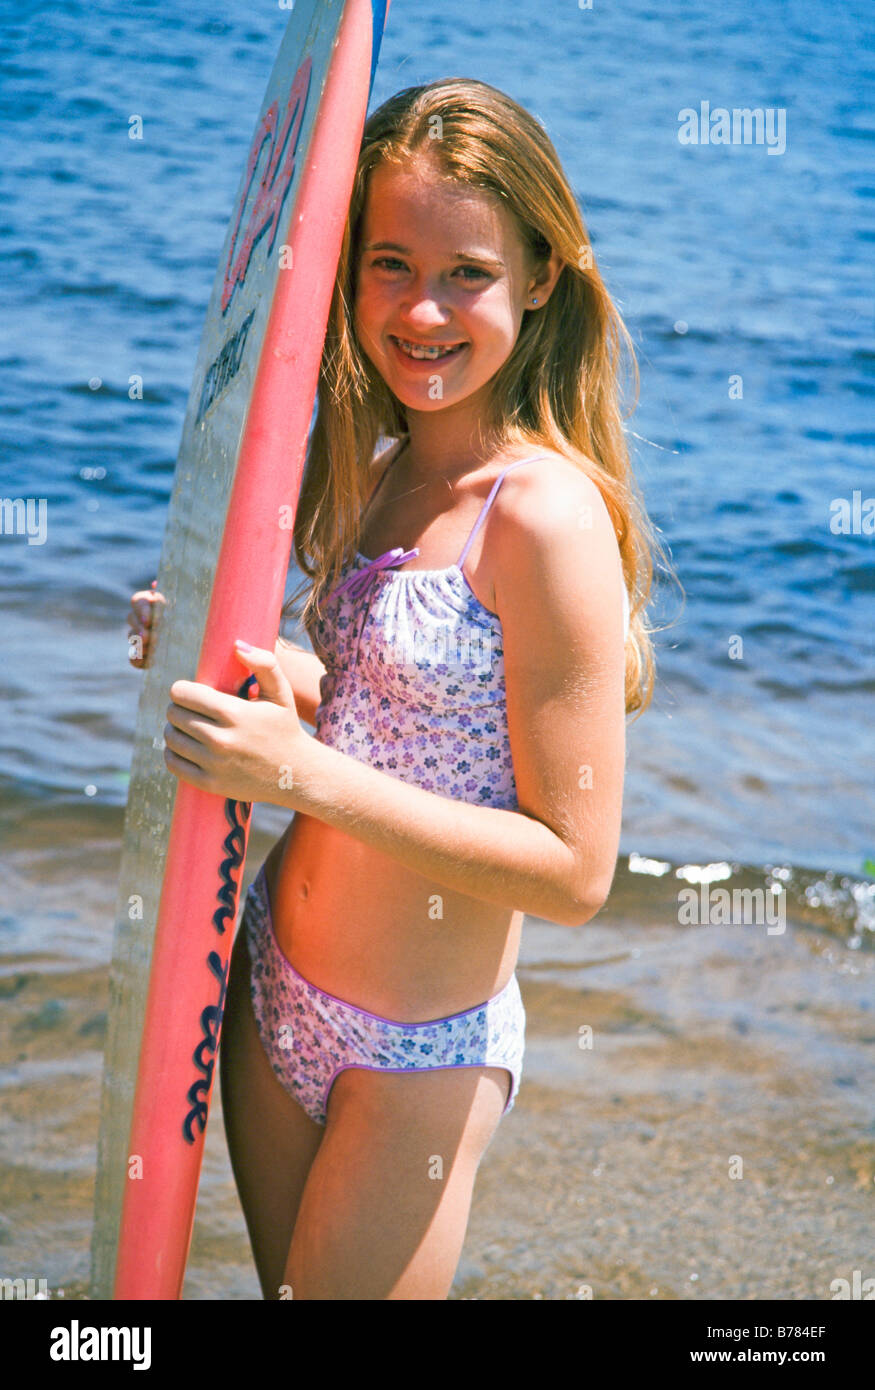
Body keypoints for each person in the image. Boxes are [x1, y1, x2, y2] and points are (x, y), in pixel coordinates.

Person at [127, 78, 663, 1300]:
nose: (421, 308)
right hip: (268, 984)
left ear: (538, 277)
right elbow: (396, 713)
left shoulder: (542, 518)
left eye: (466, 271)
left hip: (416, 1055)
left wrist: (298, 774)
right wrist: (238, 662)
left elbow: (576, 869)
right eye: (386, 261)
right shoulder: (379, 476)